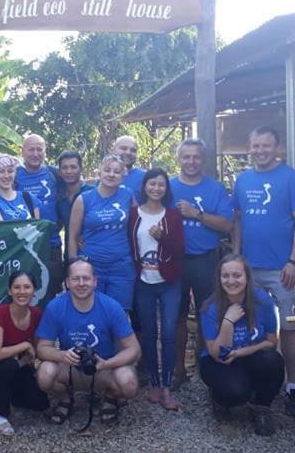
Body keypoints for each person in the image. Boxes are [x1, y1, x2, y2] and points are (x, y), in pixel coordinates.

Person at [231, 126, 295, 417]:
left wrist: (294, 260)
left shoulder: (290, 178)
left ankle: (292, 387)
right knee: (253, 325)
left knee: (289, 328)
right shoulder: (242, 179)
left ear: (276, 148)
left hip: (282, 269)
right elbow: (237, 219)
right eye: (256, 146)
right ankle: (258, 380)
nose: (260, 151)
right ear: (249, 147)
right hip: (249, 269)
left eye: (266, 146)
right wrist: (236, 255)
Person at [35, 259, 140, 426]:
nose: (81, 283)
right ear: (67, 282)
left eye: (86, 278)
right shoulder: (55, 307)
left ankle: (111, 397)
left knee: (129, 382)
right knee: (44, 374)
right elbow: (41, 349)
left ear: (95, 281)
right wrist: (62, 355)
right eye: (76, 279)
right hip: (69, 367)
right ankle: (65, 399)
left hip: (103, 368)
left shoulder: (111, 307)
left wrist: (107, 363)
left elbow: (134, 349)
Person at [169, 139, 234, 386]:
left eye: (195, 157)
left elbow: (227, 224)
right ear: (179, 159)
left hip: (206, 259)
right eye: (186, 157)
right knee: (177, 316)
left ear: (203, 160)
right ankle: (178, 371)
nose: (191, 161)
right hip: (175, 260)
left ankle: (205, 368)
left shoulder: (215, 189)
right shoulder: (169, 187)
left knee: (209, 314)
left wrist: (196, 214)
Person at [198, 254, 284, 436]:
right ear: (219, 278)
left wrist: (240, 352)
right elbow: (219, 355)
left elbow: (271, 342)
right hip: (217, 362)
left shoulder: (264, 302)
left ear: (247, 277)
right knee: (236, 392)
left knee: (273, 361)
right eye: (225, 276)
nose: (231, 281)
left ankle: (262, 407)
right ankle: (219, 400)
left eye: (237, 275)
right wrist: (228, 321)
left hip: (249, 356)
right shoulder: (210, 307)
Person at [128, 168, 185, 410]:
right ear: (145, 187)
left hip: (169, 282)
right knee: (149, 334)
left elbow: (180, 249)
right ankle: (152, 382)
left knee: (169, 334)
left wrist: (163, 237)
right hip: (143, 282)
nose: (156, 188)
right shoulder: (133, 214)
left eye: (161, 184)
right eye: (152, 184)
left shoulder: (172, 215)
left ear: (166, 189)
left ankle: (167, 387)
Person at [0, 272, 50, 436]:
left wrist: (24, 362)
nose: (21, 292)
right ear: (9, 291)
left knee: (40, 403)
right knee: (7, 365)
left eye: (26, 287)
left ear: (33, 290)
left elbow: (36, 350)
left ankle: (11, 395)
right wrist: (23, 345)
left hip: (18, 365)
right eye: (16, 287)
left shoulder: (36, 314)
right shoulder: (0, 313)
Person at [67, 154, 136, 310]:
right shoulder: (84, 199)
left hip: (121, 266)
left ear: (123, 176)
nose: (111, 174)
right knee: (92, 311)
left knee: (119, 313)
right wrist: (74, 265)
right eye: (107, 170)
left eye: (117, 172)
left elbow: (138, 225)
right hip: (92, 265)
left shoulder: (128, 195)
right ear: (100, 172)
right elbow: (72, 236)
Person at [16, 134, 64, 299]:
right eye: (31, 149)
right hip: (23, 245)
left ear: (45, 152)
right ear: (22, 151)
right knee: (24, 293)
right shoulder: (14, 175)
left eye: (39, 149)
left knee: (49, 292)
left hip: (51, 244)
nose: (35, 154)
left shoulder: (55, 175)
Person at [55, 150, 96, 251]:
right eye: (64, 167)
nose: (69, 171)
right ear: (59, 172)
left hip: (93, 251)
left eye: (73, 167)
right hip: (70, 253)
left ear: (81, 169)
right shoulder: (59, 197)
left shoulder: (93, 192)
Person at [0, 154, 41, 222]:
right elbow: (1, 228)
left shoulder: (28, 197)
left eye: (10, 171)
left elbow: (37, 226)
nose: (6, 176)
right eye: (1, 171)